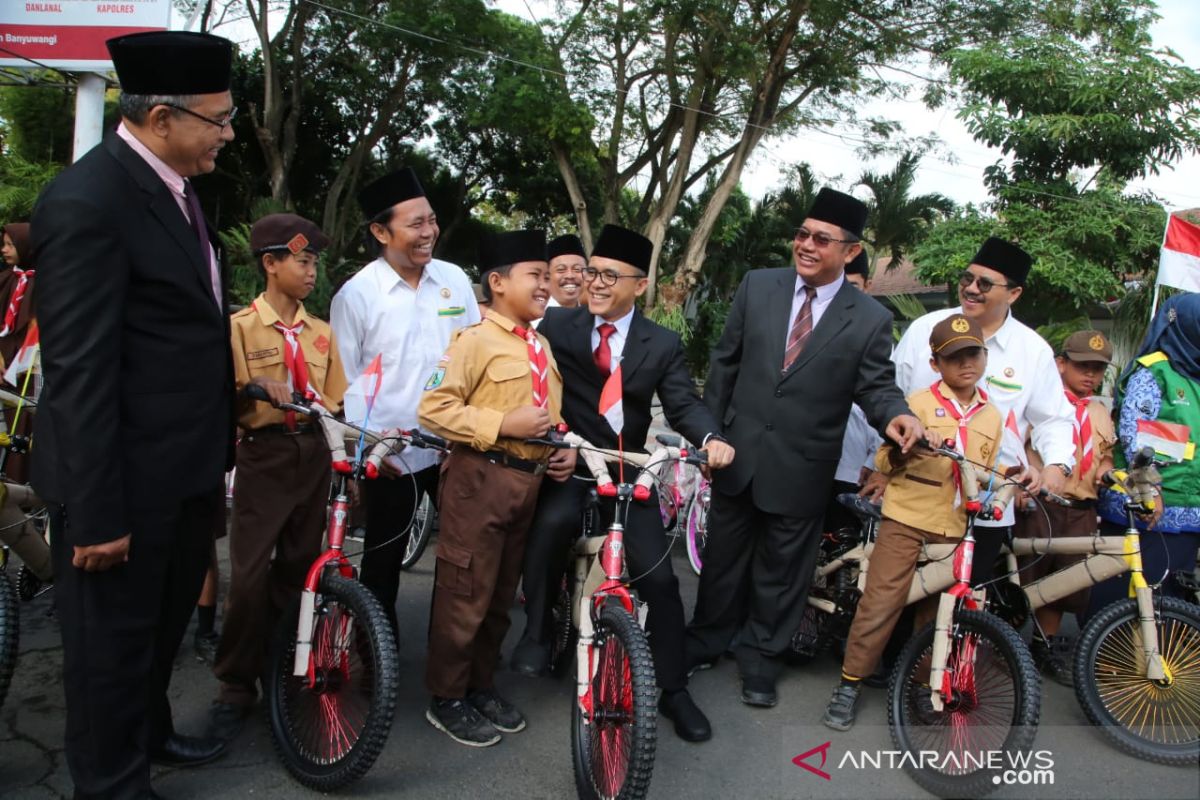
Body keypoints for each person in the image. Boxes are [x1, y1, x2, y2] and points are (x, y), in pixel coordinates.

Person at [31, 30, 237, 798]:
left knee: (156, 633)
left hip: (181, 473)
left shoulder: (176, 191)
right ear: (160, 119)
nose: (226, 133)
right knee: (108, 652)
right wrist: (97, 513)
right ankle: (113, 782)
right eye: (215, 120)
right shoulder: (90, 201)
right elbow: (80, 373)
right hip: (119, 482)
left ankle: (148, 736)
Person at [686, 188, 922, 709]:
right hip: (738, 456)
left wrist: (898, 416)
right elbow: (725, 364)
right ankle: (706, 640)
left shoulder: (868, 318)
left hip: (803, 467)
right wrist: (713, 435)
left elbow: (876, 387)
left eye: (821, 238)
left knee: (782, 570)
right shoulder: (759, 286)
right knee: (723, 559)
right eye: (801, 234)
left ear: (850, 251)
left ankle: (761, 659)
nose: (807, 245)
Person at [512, 224, 735, 743]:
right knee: (551, 527)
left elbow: (682, 404)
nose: (594, 282)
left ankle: (674, 690)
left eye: (610, 276)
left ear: (640, 284)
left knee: (659, 578)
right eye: (591, 272)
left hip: (628, 467)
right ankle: (538, 632)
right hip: (571, 462)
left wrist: (712, 438)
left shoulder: (663, 343)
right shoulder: (559, 327)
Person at [418, 229, 572, 746]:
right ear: (498, 282)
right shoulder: (474, 339)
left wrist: (563, 444)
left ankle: (479, 684)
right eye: (537, 275)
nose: (547, 285)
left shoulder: (539, 345)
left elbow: (549, 415)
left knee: (501, 595)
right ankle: (447, 696)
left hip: (525, 484)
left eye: (549, 276)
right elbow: (434, 408)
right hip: (479, 477)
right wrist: (504, 425)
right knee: (465, 592)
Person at [823, 314, 1009, 729]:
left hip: (955, 526)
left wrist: (1009, 480)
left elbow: (986, 469)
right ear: (935, 364)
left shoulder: (992, 416)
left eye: (973, 354)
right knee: (881, 603)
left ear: (984, 356)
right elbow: (884, 459)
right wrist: (909, 451)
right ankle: (849, 686)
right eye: (954, 357)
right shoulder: (917, 404)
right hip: (906, 518)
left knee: (937, 613)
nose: (966, 364)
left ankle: (925, 689)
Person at [207, 214, 348, 742]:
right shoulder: (240, 327)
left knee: (296, 569)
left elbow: (335, 397)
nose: (313, 272)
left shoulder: (321, 334)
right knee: (246, 578)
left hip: (310, 452)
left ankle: (283, 670)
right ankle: (235, 685)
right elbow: (228, 390)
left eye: (315, 261)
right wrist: (255, 387)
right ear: (271, 263)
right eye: (303, 261)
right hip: (263, 457)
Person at [330, 168, 480, 632]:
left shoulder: (453, 279)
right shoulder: (357, 296)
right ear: (380, 231)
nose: (429, 232)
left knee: (464, 560)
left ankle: (451, 655)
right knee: (383, 560)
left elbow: (478, 351)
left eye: (431, 220)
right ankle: (378, 658)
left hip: (453, 447)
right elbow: (345, 382)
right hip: (389, 454)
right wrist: (366, 447)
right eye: (415, 224)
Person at [881, 237, 1075, 585]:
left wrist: (1057, 466)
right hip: (913, 499)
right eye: (966, 279)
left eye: (984, 283)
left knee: (961, 609)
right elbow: (888, 401)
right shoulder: (925, 330)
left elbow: (1054, 419)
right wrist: (877, 468)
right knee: (898, 604)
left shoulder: (1032, 351)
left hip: (986, 507)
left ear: (1013, 294)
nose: (971, 289)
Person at [1014, 329, 1115, 685]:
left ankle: (1044, 647)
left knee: (1064, 585)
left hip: (1081, 508)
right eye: (1083, 366)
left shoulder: (1100, 411)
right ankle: (1006, 647)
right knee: (1025, 580)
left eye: (1098, 369)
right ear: (1060, 364)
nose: (1091, 375)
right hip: (1042, 505)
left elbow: (1103, 455)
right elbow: (1021, 446)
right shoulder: (1043, 402)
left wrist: (1107, 473)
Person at [1090, 294, 1200, 613]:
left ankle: (1162, 662)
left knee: (1173, 601)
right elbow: (1135, 434)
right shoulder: (1154, 372)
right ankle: (1108, 663)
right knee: (1130, 603)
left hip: (1188, 512)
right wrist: (1147, 493)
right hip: (1149, 509)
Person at [826, 250, 882, 534]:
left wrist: (875, 461)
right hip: (808, 466)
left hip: (854, 468)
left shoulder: (878, 336)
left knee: (845, 549)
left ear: (868, 287)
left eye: (854, 287)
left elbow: (887, 405)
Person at [0, 222, 37, 370]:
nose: (4, 250)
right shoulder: (5, 278)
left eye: (10, 245)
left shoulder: (44, 282)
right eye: (3, 244)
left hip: (29, 365)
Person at [546, 233, 587, 309]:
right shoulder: (533, 318)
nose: (570, 276)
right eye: (561, 270)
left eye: (577, 269)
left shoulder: (594, 317)